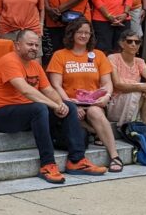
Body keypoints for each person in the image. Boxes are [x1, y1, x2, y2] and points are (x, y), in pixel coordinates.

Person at [0, 31, 108, 184]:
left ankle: (77, 160)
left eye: (36, 45)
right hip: (0, 115)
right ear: (17, 45)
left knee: (69, 106)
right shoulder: (9, 61)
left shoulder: (35, 65)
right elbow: (26, 90)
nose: (34, 48)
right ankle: (47, 164)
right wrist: (53, 105)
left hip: (27, 112)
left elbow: (49, 90)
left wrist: (60, 105)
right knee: (40, 108)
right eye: (30, 44)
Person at [46, 20, 124, 173]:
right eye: (79, 32)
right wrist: (71, 104)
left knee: (95, 112)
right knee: (74, 113)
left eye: (87, 32)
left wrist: (107, 95)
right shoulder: (60, 55)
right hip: (70, 103)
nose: (83, 35)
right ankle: (94, 132)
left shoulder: (99, 55)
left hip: (94, 102)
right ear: (72, 34)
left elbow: (107, 82)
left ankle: (114, 155)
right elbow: (56, 85)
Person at [107, 29, 146, 127]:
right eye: (129, 41)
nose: (134, 44)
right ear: (122, 44)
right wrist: (141, 87)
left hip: (136, 100)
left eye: (137, 42)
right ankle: (129, 127)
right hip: (116, 101)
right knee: (138, 92)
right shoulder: (113, 58)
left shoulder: (140, 61)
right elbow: (117, 85)